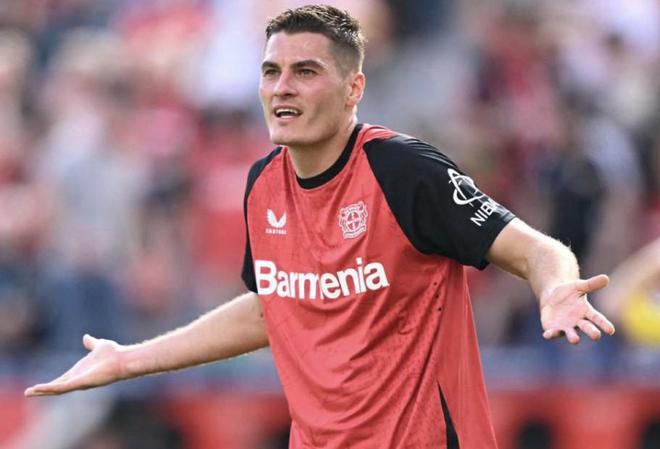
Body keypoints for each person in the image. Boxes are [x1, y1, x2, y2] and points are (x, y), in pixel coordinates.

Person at [25, 5, 616, 449]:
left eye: (305, 71)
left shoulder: (404, 171)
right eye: (271, 72)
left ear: (353, 88)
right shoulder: (263, 184)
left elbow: (534, 249)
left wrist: (557, 287)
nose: (282, 87)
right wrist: (130, 359)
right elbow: (273, 308)